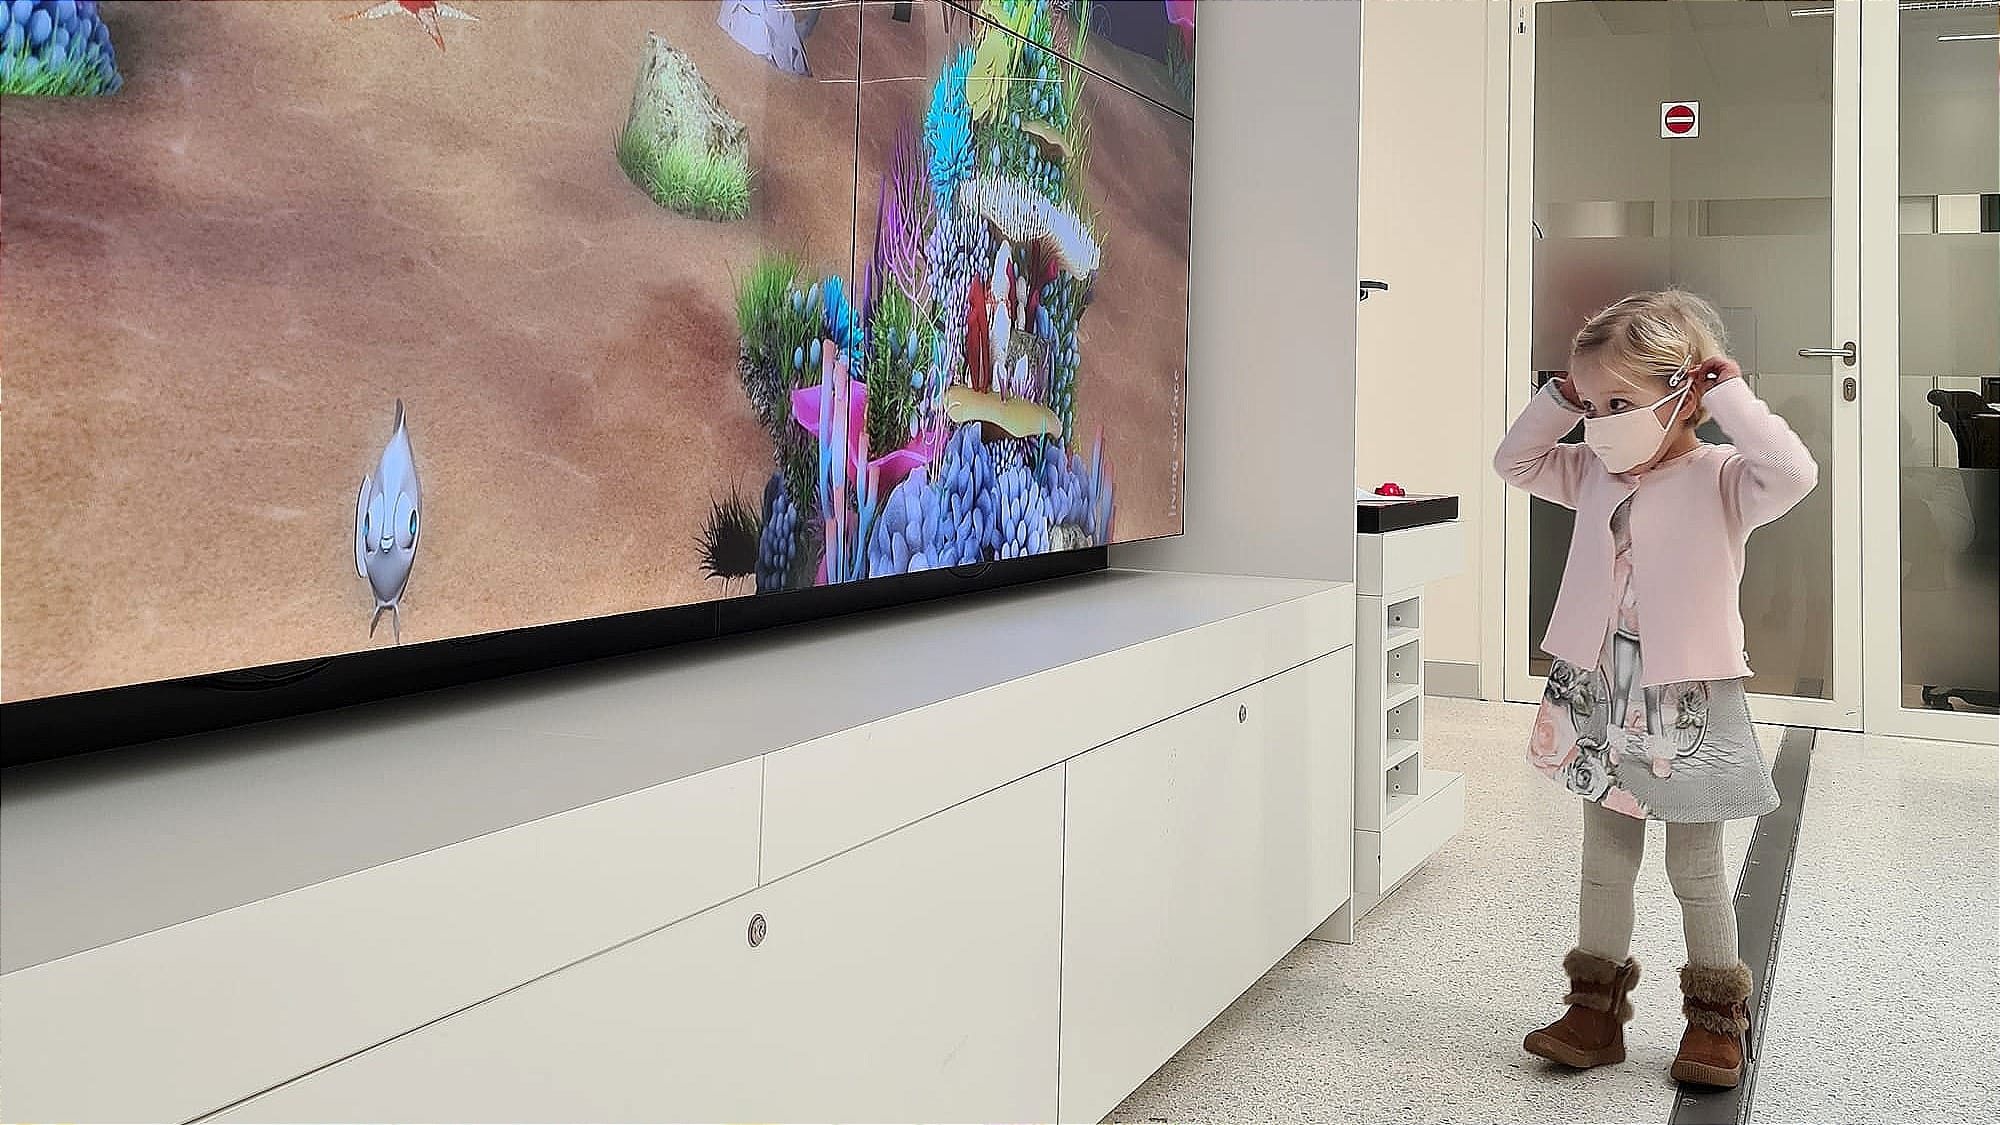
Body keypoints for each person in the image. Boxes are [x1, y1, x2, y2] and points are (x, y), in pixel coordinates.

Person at [1493, 290, 1818, 1089]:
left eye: (1619, 403)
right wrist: (1559, 398)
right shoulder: (1590, 470)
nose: (1601, 422)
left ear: (1682, 394)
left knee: (1695, 867)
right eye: (1590, 404)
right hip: (1600, 693)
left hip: (1684, 702)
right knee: (1604, 859)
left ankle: (1716, 1018)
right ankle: (1594, 1010)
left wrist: (1728, 395)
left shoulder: (1723, 478)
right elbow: (1515, 462)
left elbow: (1794, 471)